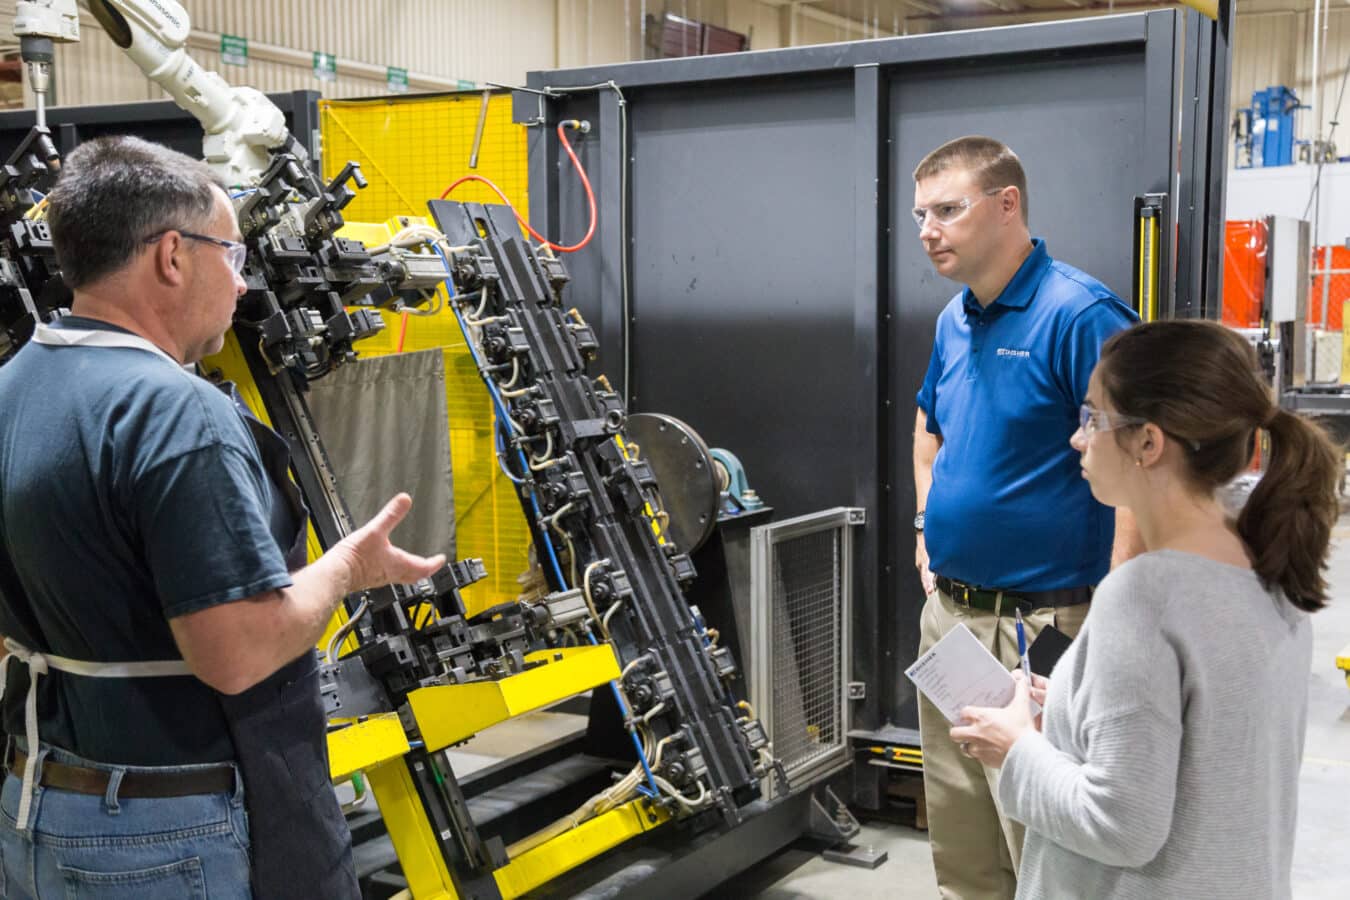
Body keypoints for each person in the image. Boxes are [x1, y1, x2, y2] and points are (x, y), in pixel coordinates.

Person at [0, 136, 445, 899]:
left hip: (37, 809)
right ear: (172, 256)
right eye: (232, 258)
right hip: (166, 833)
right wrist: (348, 567)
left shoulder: (15, 387)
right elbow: (233, 654)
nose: (240, 288)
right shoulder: (175, 412)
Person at [952, 319, 1339, 899]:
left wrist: (1016, 748)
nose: (1077, 439)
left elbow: (1120, 824)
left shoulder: (1144, 597)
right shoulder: (1272, 565)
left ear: (1148, 443)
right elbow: (1207, 747)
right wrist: (1064, 709)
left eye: (1092, 418)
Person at [911, 135, 1140, 899]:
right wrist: (923, 530)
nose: (928, 230)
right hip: (952, 619)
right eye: (921, 215)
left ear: (1007, 205)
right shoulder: (955, 319)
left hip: (1048, 629)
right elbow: (928, 430)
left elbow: (1144, 460)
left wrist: (1119, 613)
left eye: (947, 210)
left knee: (1048, 852)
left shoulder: (1081, 314)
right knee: (964, 840)